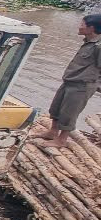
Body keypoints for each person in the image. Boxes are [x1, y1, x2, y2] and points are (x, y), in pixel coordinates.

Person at [35, 14, 101, 148]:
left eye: (82, 24)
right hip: (70, 81)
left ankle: (61, 140)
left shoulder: (98, 47)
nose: (79, 26)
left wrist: (95, 84)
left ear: (91, 28)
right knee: (56, 108)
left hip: (82, 85)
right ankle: (52, 132)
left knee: (69, 113)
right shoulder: (88, 42)